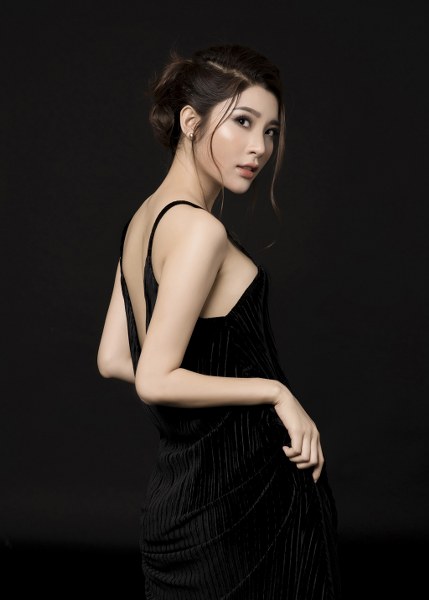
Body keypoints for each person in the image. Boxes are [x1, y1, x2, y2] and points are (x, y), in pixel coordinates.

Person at [97, 44, 341, 599]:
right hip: (243, 502)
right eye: (243, 122)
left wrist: (197, 382)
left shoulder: (141, 221)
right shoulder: (200, 232)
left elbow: (113, 358)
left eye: (271, 131)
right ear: (191, 122)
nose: (260, 147)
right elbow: (156, 378)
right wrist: (274, 392)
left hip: (181, 499)